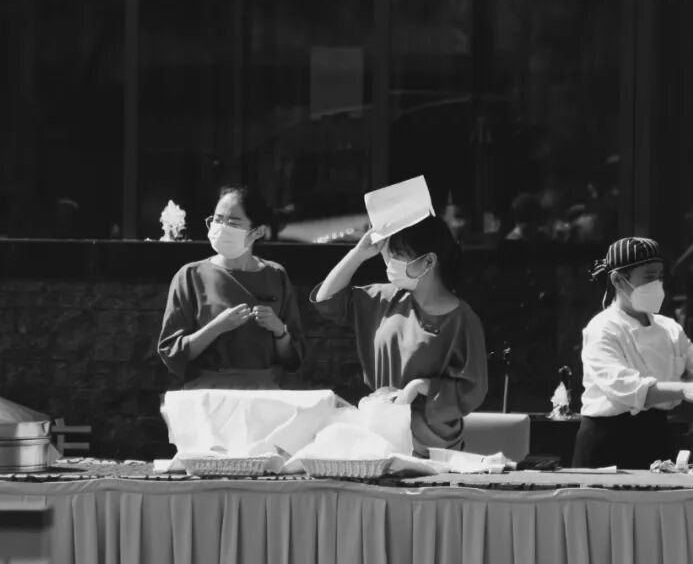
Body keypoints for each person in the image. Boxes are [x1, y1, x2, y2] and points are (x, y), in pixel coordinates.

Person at [312, 216, 488, 456]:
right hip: (381, 429)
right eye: (391, 253)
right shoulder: (384, 299)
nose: (391, 262)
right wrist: (358, 253)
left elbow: (472, 389)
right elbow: (325, 300)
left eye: (399, 254)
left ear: (429, 261)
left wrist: (420, 386)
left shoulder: (462, 319)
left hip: (431, 441)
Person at [572, 236, 693, 469]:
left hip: (655, 435)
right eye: (649, 277)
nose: (657, 284)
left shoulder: (669, 328)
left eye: (660, 277)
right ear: (618, 280)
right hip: (607, 440)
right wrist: (685, 389)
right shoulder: (602, 328)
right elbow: (624, 386)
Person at [157, 185, 304, 389]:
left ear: (258, 231)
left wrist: (280, 331)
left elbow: (293, 359)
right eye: (218, 220)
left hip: (262, 393)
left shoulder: (275, 275)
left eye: (233, 223)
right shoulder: (190, 275)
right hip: (208, 392)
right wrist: (216, 327)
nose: (222, 228)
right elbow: (172, 353)